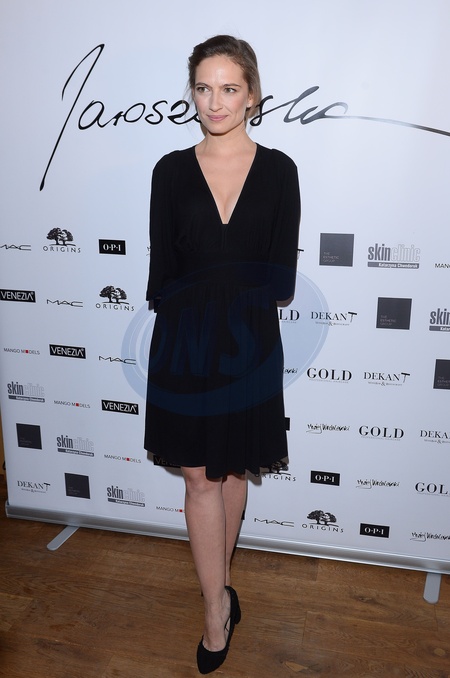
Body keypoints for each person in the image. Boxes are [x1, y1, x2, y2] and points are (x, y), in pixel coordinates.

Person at [144, 35, 300, 674]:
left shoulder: (281, 170)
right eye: (204, 88)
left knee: (232, 471)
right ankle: (215, 609)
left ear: (252, 95)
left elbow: (282, 279)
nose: (215, 101)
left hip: (250, 346)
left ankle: (225, 585)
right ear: (192, 93)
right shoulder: (169, 171)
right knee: (198, 479)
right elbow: (162, 273)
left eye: (229, 88)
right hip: (184, 343)